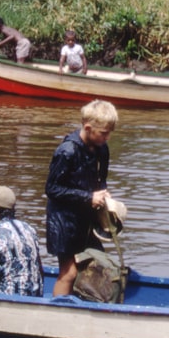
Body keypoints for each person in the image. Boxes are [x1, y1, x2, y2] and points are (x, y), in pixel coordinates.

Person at [45, 99, 118, 296]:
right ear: (88, 127)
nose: (107, 137)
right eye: (103, 133)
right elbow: (52, 189)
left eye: (109, 132)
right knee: (68, 273)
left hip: (85, 217)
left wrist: (103, 193)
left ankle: (84, 304)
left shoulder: (102, 149)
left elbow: (101, 180)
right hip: (62, 219)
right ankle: (58, 313)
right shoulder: (67, 151)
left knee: (99, 265)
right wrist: (88, 197)